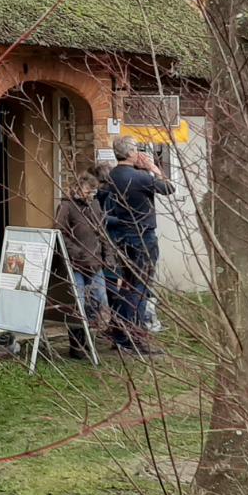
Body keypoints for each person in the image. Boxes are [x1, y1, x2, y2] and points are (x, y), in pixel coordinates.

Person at [98, 139, 174, 356]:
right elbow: (168, 188)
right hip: (142, 237)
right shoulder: (141, 177)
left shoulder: (112, 176)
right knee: (139, 289)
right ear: (131, 153)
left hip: (119, 237)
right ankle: (136, 338)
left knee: (125, 288)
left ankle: (120, 335)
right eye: (137, 150)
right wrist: (153, 168)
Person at [55, 172, 113, 360]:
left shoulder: (95, 205)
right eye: (87, 192)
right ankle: (77, 344)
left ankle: (91, 337)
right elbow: (59, 232)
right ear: (77, 189)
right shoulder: (66, 206)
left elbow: (102, 232)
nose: (90, 196)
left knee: (99, 300)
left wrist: (109, 256)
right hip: (76, 263)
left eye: (93, 192)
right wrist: (75, 252)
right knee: (77, 304)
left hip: (96, 262)